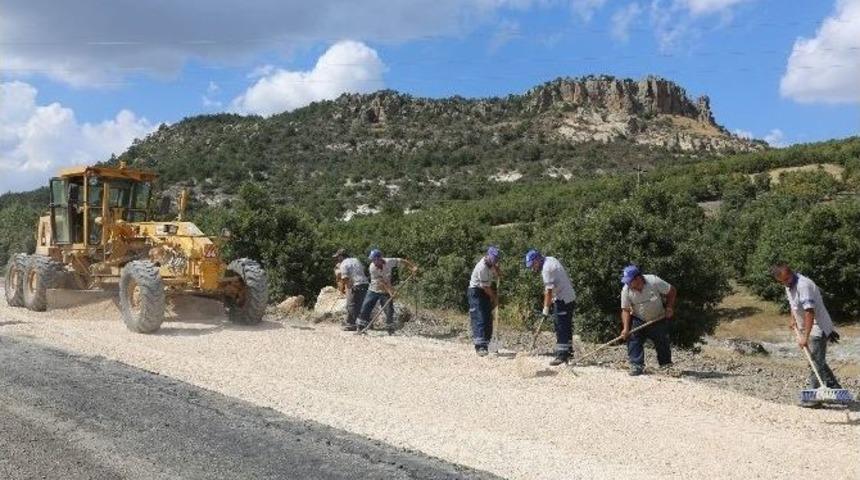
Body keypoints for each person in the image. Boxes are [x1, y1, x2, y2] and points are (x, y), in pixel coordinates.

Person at [770, 263, 843, 405]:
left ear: (791, 273)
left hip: (817, 326)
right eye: (782, 281)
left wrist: (805, 337)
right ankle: (837, 391)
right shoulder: (788, 285)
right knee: (817, 360)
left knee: (814, 362)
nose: (786, 283)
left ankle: (813, 398)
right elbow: (793, 304)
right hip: (806, 327)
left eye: (787, 279)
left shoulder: (803, 285)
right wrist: (793, 319)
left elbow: (810, 312)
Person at [619, 265, 676, 376]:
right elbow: (625, 310)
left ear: (638, 278)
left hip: (658, 317)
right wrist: (625, 328)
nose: (628, 283)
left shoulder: (654, 281)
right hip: (639, 318)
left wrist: (669, 307)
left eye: (630, 281)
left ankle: (666, 366)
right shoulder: (626, 290)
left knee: (662, 341)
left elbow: (672, 291)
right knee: (634, 340)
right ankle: (636, 365)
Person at [524, 249, 576, 366]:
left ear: (537, 260)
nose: (532, 268)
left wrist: (545, 309)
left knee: (560, 326)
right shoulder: (550, 259)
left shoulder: (547, 269)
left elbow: (548, 291)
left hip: (563, 299)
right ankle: (568, 352)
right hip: (568, 297)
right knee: (566, 326)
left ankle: (561, 355)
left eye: (533, 265)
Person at [357, 249, 418, 334]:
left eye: (375, 259)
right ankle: (361, 327)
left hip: (385, 291)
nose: (373, 261)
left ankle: (390, 329)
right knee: (366, 307)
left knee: (389, 310)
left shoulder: (389, 261)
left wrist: (412, 267)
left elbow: (402, 261)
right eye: (372, 259)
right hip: (374, 289)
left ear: (380, 258)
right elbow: (381, 283)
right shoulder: (372, 267)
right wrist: (391, 292)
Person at [467, 246, 501, 357]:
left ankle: (488, 344)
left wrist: (498, 271)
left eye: (497, 259)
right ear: (488, 256)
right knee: (480, 318)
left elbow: (498, 274)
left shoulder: (492, 264)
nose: (495, 260)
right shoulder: (482, 267)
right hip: (476, 292)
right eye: (494, 258)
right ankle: (480, 346)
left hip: (485, 291)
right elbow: (485, 287)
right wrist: (494, 298)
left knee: (488, 318)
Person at [332, 248, 369, 331]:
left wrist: (347, 289)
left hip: (355, 285)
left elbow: (345, 278)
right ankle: (363, 323)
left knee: (351, 305)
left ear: (341, 256)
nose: (337, 259)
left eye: (338, 257)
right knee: (361, 305)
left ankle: (351, 324)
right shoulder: (356, 260)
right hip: (365, 283)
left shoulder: (343, 264)